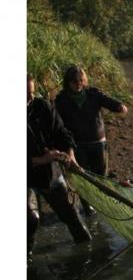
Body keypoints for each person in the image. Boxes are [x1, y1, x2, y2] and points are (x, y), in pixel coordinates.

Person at [27, 73, 91, 254]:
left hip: (50, 172)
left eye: (32, 92)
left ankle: (88, 254)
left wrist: (71, 156)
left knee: (73, 217)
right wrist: (39, 160)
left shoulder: (42, 106)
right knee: (30, 220)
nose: (30, 97)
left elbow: (63, 134)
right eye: (25, 94)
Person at [54, 65, 128, 214]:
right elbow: (58, 124)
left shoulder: (94, 94)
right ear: (67, 82)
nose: (78, 84)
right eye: (74, 81)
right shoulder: (61, 100)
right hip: (77, 145)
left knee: (101, 176)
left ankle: (102, 203)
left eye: (81, 81)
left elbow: (111, 103)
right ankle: (88, 206)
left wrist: (120, 106)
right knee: (83, 177)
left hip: (98, 143)